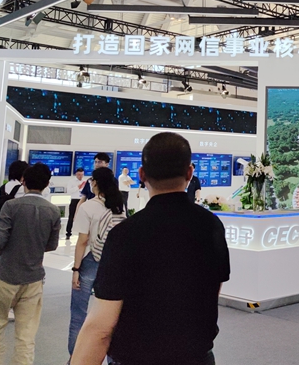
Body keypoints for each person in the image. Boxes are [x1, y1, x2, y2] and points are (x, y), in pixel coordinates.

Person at [71, 132, 230, 365]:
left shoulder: (125, 235)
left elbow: (101, 328)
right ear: (189, 173)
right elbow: (211, 291)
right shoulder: (211, 226)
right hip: (198, 357)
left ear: (141, 174)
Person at [0, 163, 61, 365]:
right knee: (26, 335)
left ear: (23, 181)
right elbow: (51, 245)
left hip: (6, 276)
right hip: (33, 278)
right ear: (47, 184)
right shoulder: (53, 211)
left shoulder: (11, 206)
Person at [68, 167, 125, 358]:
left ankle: (76, 358)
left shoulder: (88, 207)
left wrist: (76, 269)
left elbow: (82, 241)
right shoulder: (118, 206)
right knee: (110, 315)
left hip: (90, 260)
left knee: (78, 314)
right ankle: (112, 359)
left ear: (95, 183)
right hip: (112, 262)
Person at [66, 168, 87, 240]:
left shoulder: (85, 181)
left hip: (83, 200)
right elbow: (69, 191)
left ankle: (82, 233)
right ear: (76, 174)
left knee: (84, 217)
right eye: (79, 175)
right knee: (71, 217)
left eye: (82, 175)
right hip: (74, 200)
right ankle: (68, 233)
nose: (80, 176)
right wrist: (78, 187)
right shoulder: (71, 181)